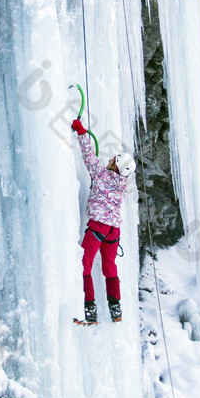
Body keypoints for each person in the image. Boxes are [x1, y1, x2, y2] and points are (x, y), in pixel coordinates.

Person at [71, 117, 136, 324]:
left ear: (116, 165)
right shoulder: (123, 185)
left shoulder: (103, 176)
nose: (108, 160)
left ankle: (90, 309)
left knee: (84, 265)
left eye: (113, 160)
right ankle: (115, 309)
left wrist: (81, 132)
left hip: (99, 226)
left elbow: (89, 157)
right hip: (113, 231)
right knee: (109, 268)